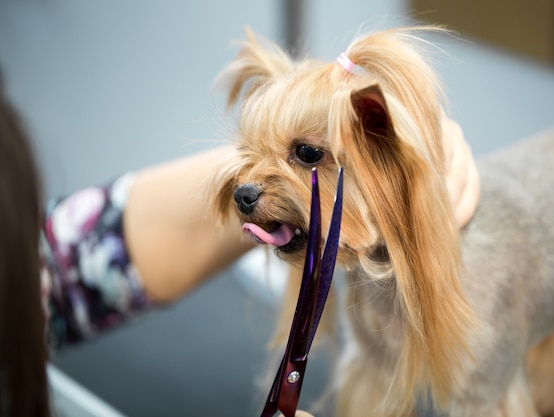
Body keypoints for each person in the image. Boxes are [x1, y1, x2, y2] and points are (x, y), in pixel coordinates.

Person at [0, 71, 478, 415]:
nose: (243, 186)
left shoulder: (27, 284)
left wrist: (366, 137)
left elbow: (66, 264)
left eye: (307, 154)